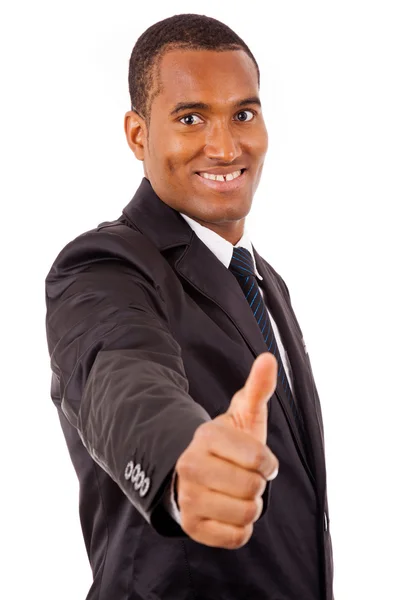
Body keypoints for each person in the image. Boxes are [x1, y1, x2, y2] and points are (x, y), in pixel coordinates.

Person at [45, 13, 334, 600]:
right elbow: (119, 373)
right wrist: (181, 464)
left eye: (243, 114)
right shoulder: (104, 264)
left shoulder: (264, 281)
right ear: (138, 135)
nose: (225, 146)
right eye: (190, 117)